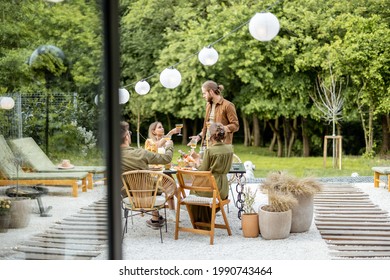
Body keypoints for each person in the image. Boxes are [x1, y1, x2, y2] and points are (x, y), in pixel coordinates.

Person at [120, 121, 174, 229]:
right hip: (150, 194)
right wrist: (169, 146)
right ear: (127, 136)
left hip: (128, 196)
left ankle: (155, 219)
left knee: (152, 183)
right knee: (161, 185)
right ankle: (156, 218)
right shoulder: (141, 153)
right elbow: (166, 159)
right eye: (129, 132)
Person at [189, 122, 234, 225]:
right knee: (198, 188)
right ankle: (206, 220)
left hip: (212, 188)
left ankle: (200, 221)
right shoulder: (230, 148)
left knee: (194, 190)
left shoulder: (210, 151)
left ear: (210, 135)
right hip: (223, 189)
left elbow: (203, 171)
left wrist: (196, 159)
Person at [191, 80, 239, 146]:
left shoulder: (228, 105)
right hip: (207, 143)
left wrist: (220, 129)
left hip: (221, 145)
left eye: (204, 93)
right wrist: (199, 136)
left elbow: (235, 126)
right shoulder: (208, 105)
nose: (203, 96)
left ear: (211, 92)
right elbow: (208, 125)